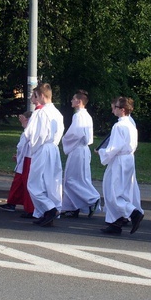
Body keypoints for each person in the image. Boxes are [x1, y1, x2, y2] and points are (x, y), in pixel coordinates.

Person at [97, 96, 144, 235]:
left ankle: (132, 212)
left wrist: (101, 152)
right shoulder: (130, 124)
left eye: (116, 108)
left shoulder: (119, 126)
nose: (113, 111)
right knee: (121, 190)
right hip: (128, 159)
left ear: (122, 110)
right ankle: (115, 222)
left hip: (119, 161)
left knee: (112, 192)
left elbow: (114, 147)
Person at [24, 83, 65, 227]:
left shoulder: (40, 112)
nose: (32, 99)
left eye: (34, 95)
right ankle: (46, 213)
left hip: (42, 148)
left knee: (34, 183)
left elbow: (32, 134)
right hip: (53, 148)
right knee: (51, 182)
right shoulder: (57, 113)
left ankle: (49, 209)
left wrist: (33, 148)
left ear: (41, 95)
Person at [60, 90, 100, 218]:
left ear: (79, 101)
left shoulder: (78, 116)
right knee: (80, 178)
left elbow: (75, 134)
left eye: (73, 99)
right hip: (83, 150)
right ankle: (73, 207)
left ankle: (92, 198)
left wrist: (64, 139)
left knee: (71, 179)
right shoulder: (86, 115)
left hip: (77, 150)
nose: (71, 101)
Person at [0, 110, 35, 214]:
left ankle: (21, 204)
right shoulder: (27, 132)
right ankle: (12, 202)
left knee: (22, 182)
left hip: (26, 159)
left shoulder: (28, 133)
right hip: (23, 159)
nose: (21, 121)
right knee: (18, 183)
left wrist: (19, 156)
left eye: (23, 119)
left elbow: (22, 147)